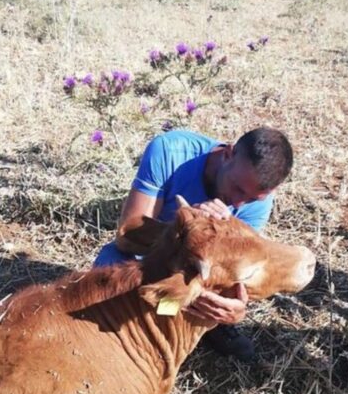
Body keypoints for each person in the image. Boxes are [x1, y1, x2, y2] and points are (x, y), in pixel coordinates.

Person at [93, 127, 293, 362]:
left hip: (191, 282)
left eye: (251, 199)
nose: (239, 202)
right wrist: (188, 225)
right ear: (228, 154)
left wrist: (235, 309)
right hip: (146, 261)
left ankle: (201, 323)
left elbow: (230, 270)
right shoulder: (170, 151)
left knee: (189, 306)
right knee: (105, 276)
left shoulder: (259, 203)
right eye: (237, 187)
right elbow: (127, 235)